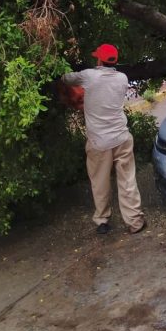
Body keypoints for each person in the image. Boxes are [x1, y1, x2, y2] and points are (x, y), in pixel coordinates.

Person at [62, 44, 146, 235]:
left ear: (99, 60)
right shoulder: (123, 78)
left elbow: (66, 78)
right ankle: (135, 222)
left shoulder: (89, 76)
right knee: (127, 181)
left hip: (99, 142)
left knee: (100, 183)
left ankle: (102, 221)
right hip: (121, 137)